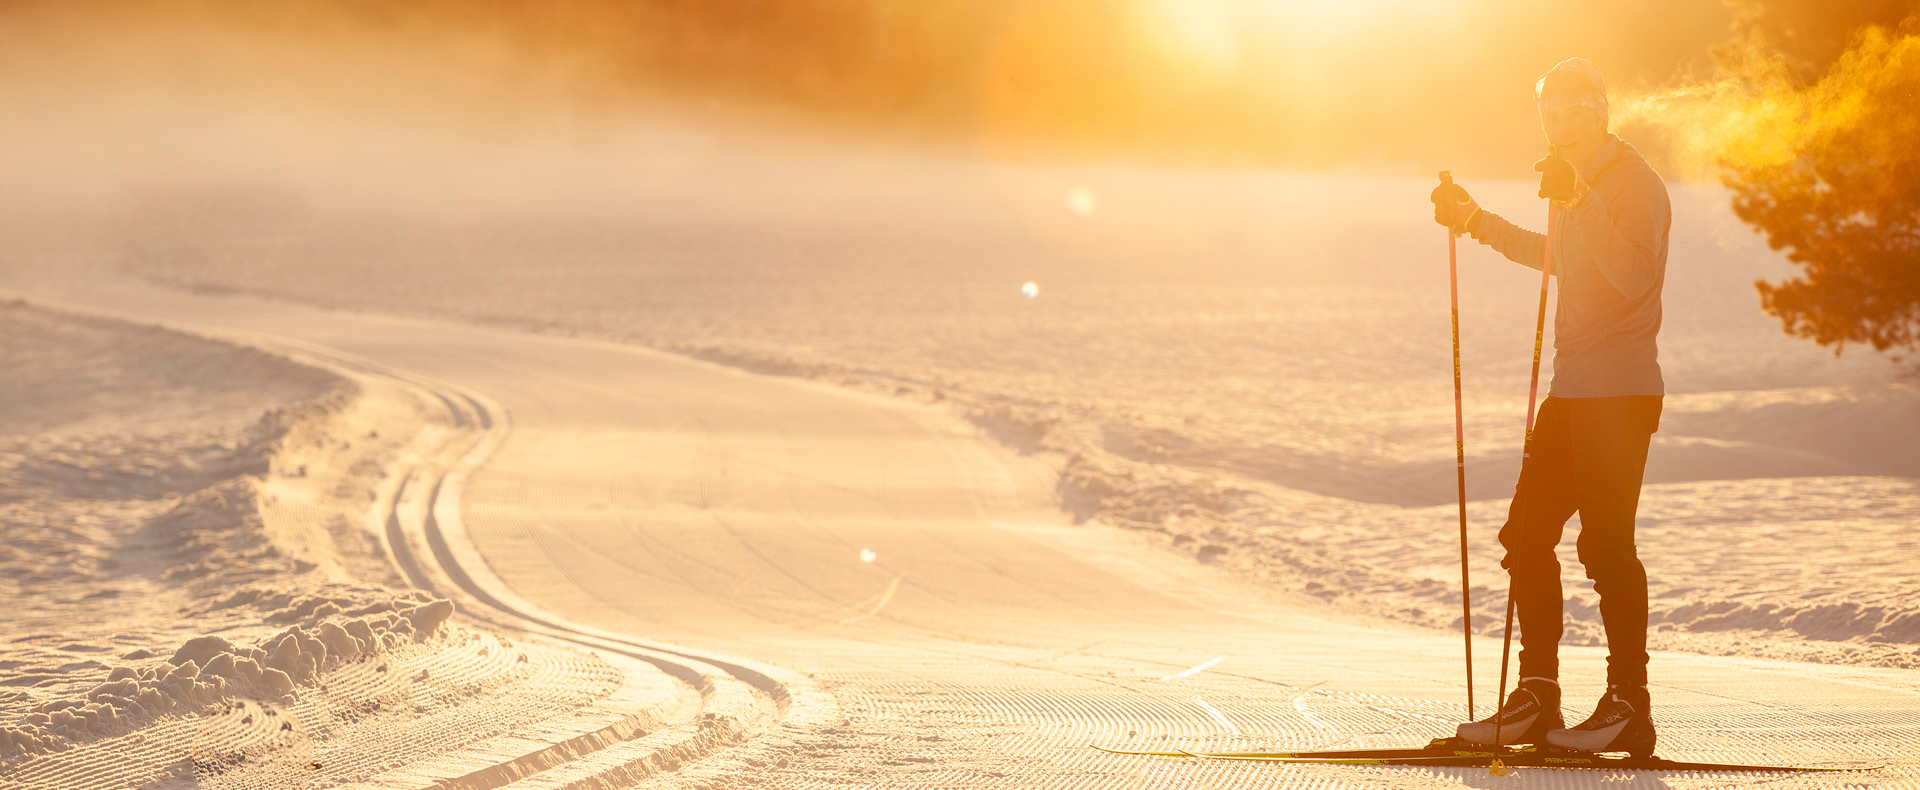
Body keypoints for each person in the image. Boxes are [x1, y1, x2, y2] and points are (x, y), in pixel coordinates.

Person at [1428, 57, 1672, 757]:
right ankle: (1538, 695)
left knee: (1605, 547)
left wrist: (1579, 201)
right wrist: (1476, 221)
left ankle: (1628, 704)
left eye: (1572, 112)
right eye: (1549, 114)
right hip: (1573, 391)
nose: (1559, 126)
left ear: (1599, 113)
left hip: (1620, 393)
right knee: (1526, 537)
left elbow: (1632, 278)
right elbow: (1562, 257)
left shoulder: (1635, 184)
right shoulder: (1578, 180)